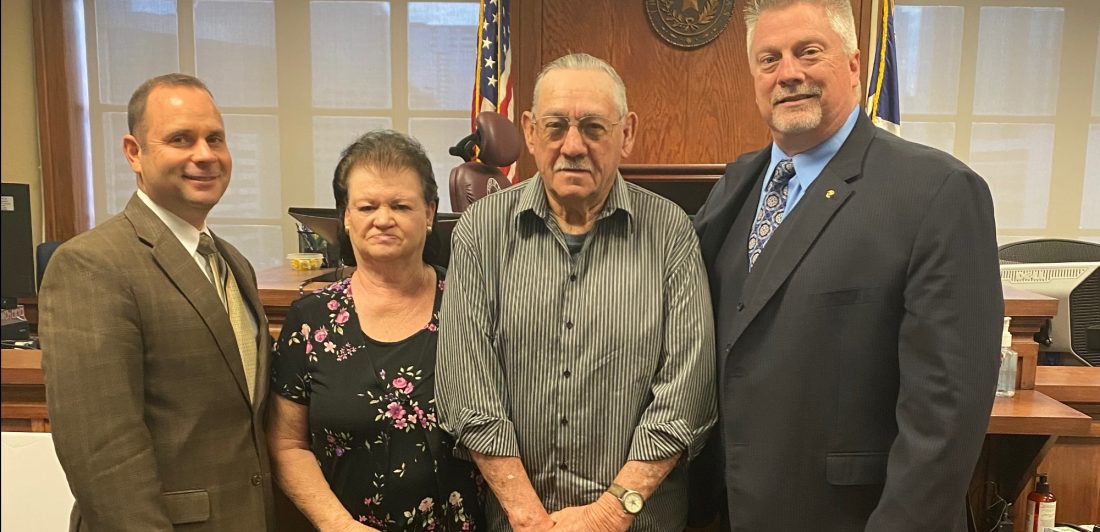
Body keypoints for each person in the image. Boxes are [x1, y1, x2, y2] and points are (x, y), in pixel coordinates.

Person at [690, 1, 1003, 530]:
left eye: (808, 52)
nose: (788, 73)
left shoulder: (937, 191)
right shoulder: (735, 185)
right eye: (769, 59)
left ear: (854, 65)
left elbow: (946, 416)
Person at [436, 53, 717, 532]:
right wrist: (528, 518)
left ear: (625, 133)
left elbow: (687, 393)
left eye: (593, 127)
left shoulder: (670, 231)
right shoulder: (481, 230)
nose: (572, 146)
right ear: (528, 131)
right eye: (555, 126)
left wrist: (609, 515)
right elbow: (468, 388)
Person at [39, 73, 272, 530]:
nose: (204, 155)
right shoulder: (91, 265)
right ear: (134, 153)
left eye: (215, 139)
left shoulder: (234, 264)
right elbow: (102, 452)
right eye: (181, 139)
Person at [267, 130, 484, 531]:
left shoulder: (471, 304)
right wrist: (338, 525)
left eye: (401, 205)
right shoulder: (310, 320)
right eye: (367, 206)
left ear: (430, 213)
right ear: (345, 216)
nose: (383, 219)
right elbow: (287, 444)